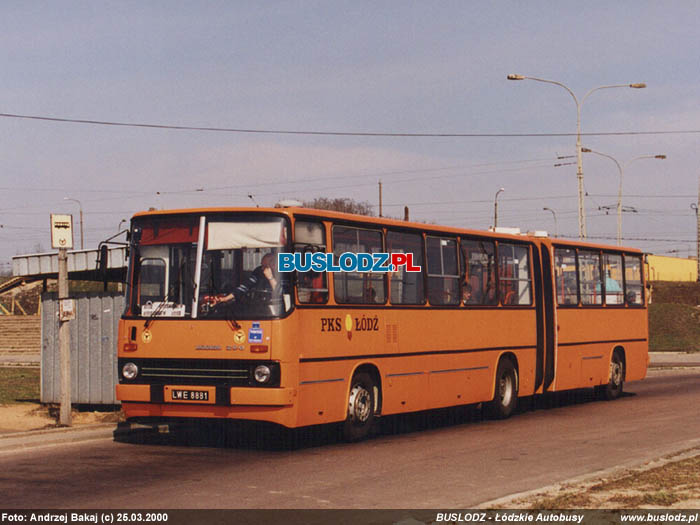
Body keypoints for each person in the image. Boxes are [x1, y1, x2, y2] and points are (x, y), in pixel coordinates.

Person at [208, 253, 279, 306]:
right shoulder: (258, 272)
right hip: (258, 306)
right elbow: (245, 286)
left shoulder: (284, 273)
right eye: (261, 265)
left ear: (274, 265)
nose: (262, 269)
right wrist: (225, 298)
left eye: (265, 266)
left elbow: (280, 293)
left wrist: (270, 278)